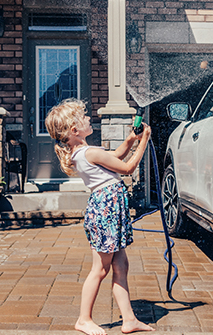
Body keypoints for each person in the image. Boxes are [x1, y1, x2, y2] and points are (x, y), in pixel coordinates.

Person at [45, 98, 154, 335]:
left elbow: (115, 155)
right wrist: (143, 140)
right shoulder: (89, 152)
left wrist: (129, 140)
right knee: (100, 269)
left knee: (120, 264)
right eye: (83, 117)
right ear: (74, 130)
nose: (88, 118)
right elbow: (126, 168)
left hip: (108, 209)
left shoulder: (82, 153)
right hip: (107, 210)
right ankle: (84, 319)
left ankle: (129, 320)